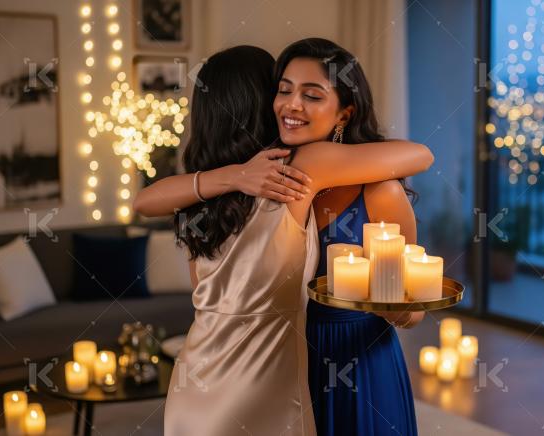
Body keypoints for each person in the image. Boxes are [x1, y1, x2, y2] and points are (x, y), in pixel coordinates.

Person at [149, 45, 433, 436]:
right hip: (280, 366)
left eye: (312, 95)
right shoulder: (257, 188)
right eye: (282, 91)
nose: (290, 105)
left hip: (357, 363)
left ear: (344, 113)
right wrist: (234, 176)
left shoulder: (378, 191)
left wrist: (390, 304)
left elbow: (412, 310)